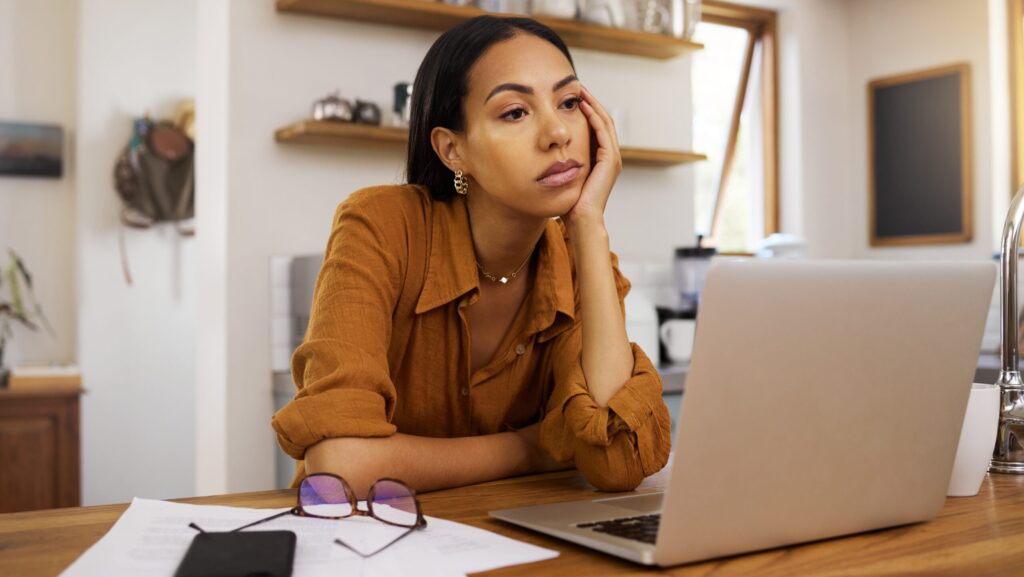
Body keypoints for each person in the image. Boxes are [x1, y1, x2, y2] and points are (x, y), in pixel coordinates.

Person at [272, 16, 671, 497]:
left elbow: (615, 463)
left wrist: (589, 223)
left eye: (568, 103)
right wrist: (539, 446)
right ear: (452, 149)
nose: (557, 134)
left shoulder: (579, 255)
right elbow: (340, 466)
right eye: (515, 112)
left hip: (519, 548)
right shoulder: (381, 224)